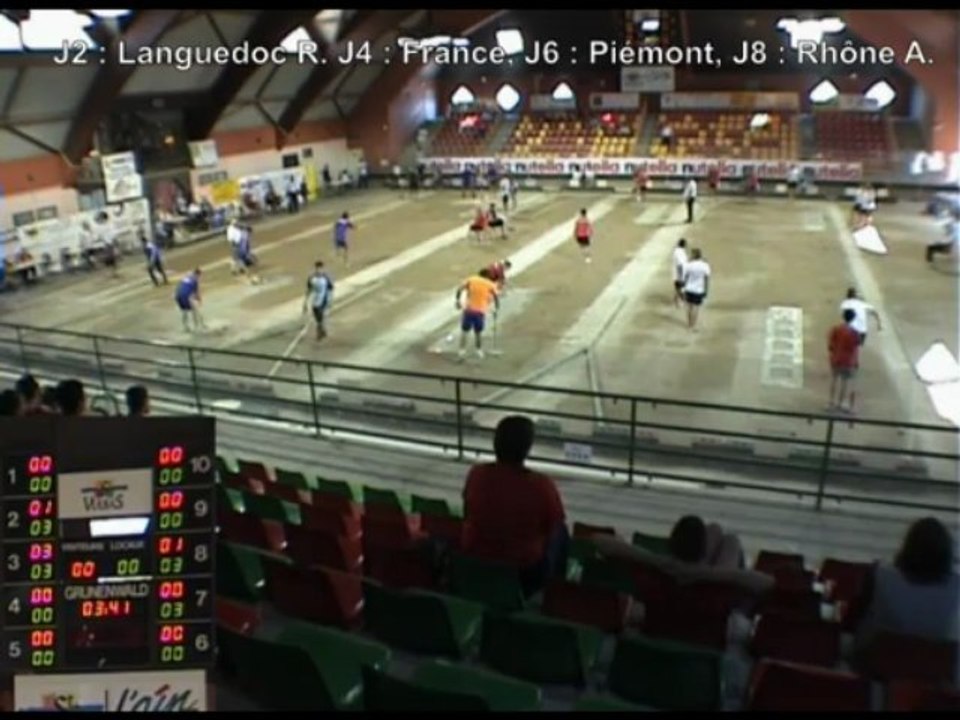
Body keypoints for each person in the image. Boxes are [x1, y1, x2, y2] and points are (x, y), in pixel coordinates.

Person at [461, 415, 568, 597]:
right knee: (562, 531)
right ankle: (557, 594)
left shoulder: (477, 474)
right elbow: (551, 526)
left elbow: (467, 511)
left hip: (476, 563)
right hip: (522, 573)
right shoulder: (541, 485)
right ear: (527, 449)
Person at [847, 518, 959, 661]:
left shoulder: (879, 576)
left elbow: (851, 621)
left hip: (875, 663)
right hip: (930, 672)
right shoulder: (955, 587)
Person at [455, 269, 500, 359]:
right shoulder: (490, 284)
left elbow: (459, 289)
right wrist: (496, 308)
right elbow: (495, 297)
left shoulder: (471, 279)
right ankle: (478, 350)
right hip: (480, 312)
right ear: (487, 276)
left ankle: (461, 351)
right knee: (478, 332)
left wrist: (457, 300)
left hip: (469, 310)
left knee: (465, 331)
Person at [828, 308, 860, 413]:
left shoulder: (836, 329)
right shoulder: (855, 333)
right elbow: (855, 348)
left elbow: (830, 345)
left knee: (834, 380)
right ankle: (841, 403)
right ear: (853, 319)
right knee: (845, 383)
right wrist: (856, 361)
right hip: (848, 361)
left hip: (836, 358)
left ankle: (831, 402)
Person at [302, 260, 335, 341]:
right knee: (318, 319)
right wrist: (305, 303)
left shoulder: (326, 278)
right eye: (317, 269)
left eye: (320, 269)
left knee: (321, 317)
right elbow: (308, 290)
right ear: (315, 269)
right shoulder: (311, 278)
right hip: (315, 301)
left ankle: (319, 333)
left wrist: (330, 299)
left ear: (323, 269)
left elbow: (331, 289)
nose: (319, 270)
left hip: (324, 300)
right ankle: (322, 331)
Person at [681, 248, 711, 330]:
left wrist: (683, 288)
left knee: (689, 307)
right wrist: (706, 290)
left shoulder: (689, 265)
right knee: (695, 307)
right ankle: (693, 325)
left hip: (689, 288)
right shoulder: (705, 265)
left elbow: (685, 277)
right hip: (698, 290)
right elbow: (706, 279)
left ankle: (689, 324)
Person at [671, 238, 688, 308]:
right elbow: (680, 265)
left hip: (677, 273)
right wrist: (681, 276)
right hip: (680, 273)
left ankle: (676, 301)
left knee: (678, 288)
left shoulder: (677, 251)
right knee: (681, 288)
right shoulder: (680, 253)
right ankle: (681, 301)